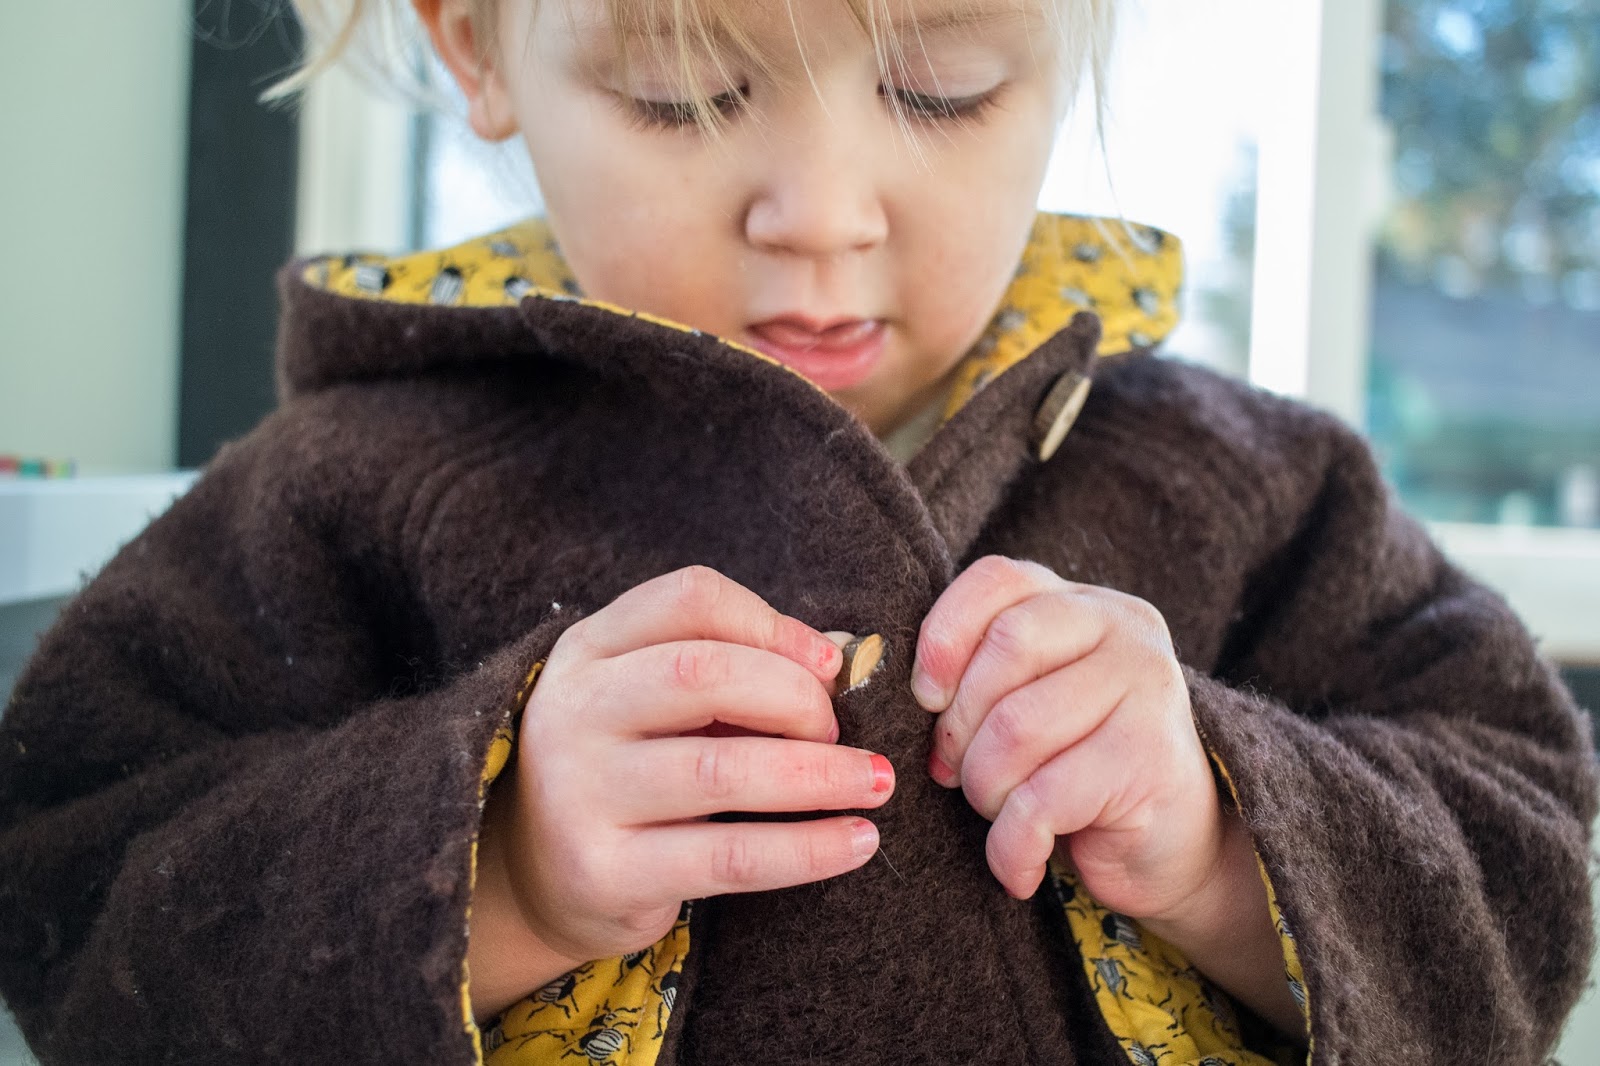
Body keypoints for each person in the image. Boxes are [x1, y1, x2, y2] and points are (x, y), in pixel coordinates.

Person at [0, 0, 1594, 1063]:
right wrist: (501, 870)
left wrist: (1222, 837)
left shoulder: (1252, 479)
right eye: (683, 96)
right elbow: (69, 868)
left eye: (938, 89)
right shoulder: (346, 478)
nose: (823, 211)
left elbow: (1522, 835)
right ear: (480, 42)